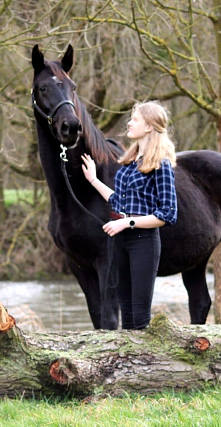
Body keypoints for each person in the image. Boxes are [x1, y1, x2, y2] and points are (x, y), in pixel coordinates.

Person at [81, 101, 178, 330]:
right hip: (120, 241)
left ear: (149, 127)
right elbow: (119, 201)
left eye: (135, 119)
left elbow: (168, 213)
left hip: (143, 243)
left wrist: (128, 222)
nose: (129, 122)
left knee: (140, 319)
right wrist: (94, 180)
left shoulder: (161, 165)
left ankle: (147, 364)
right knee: (127, 316)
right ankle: (131, 364)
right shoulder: (129, 164)